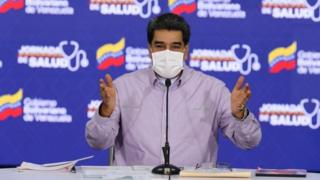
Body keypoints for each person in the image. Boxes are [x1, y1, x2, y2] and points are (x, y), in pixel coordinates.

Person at [86, 13, 262, 167]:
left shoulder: (212, 89)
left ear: (186, 50)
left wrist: (240, 115)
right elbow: (97, 142)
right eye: (160, 46)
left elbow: (249, 141)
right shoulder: (124, 87)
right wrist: (105, 113)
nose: (167, 53)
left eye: (175, 47)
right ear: (150, 49)